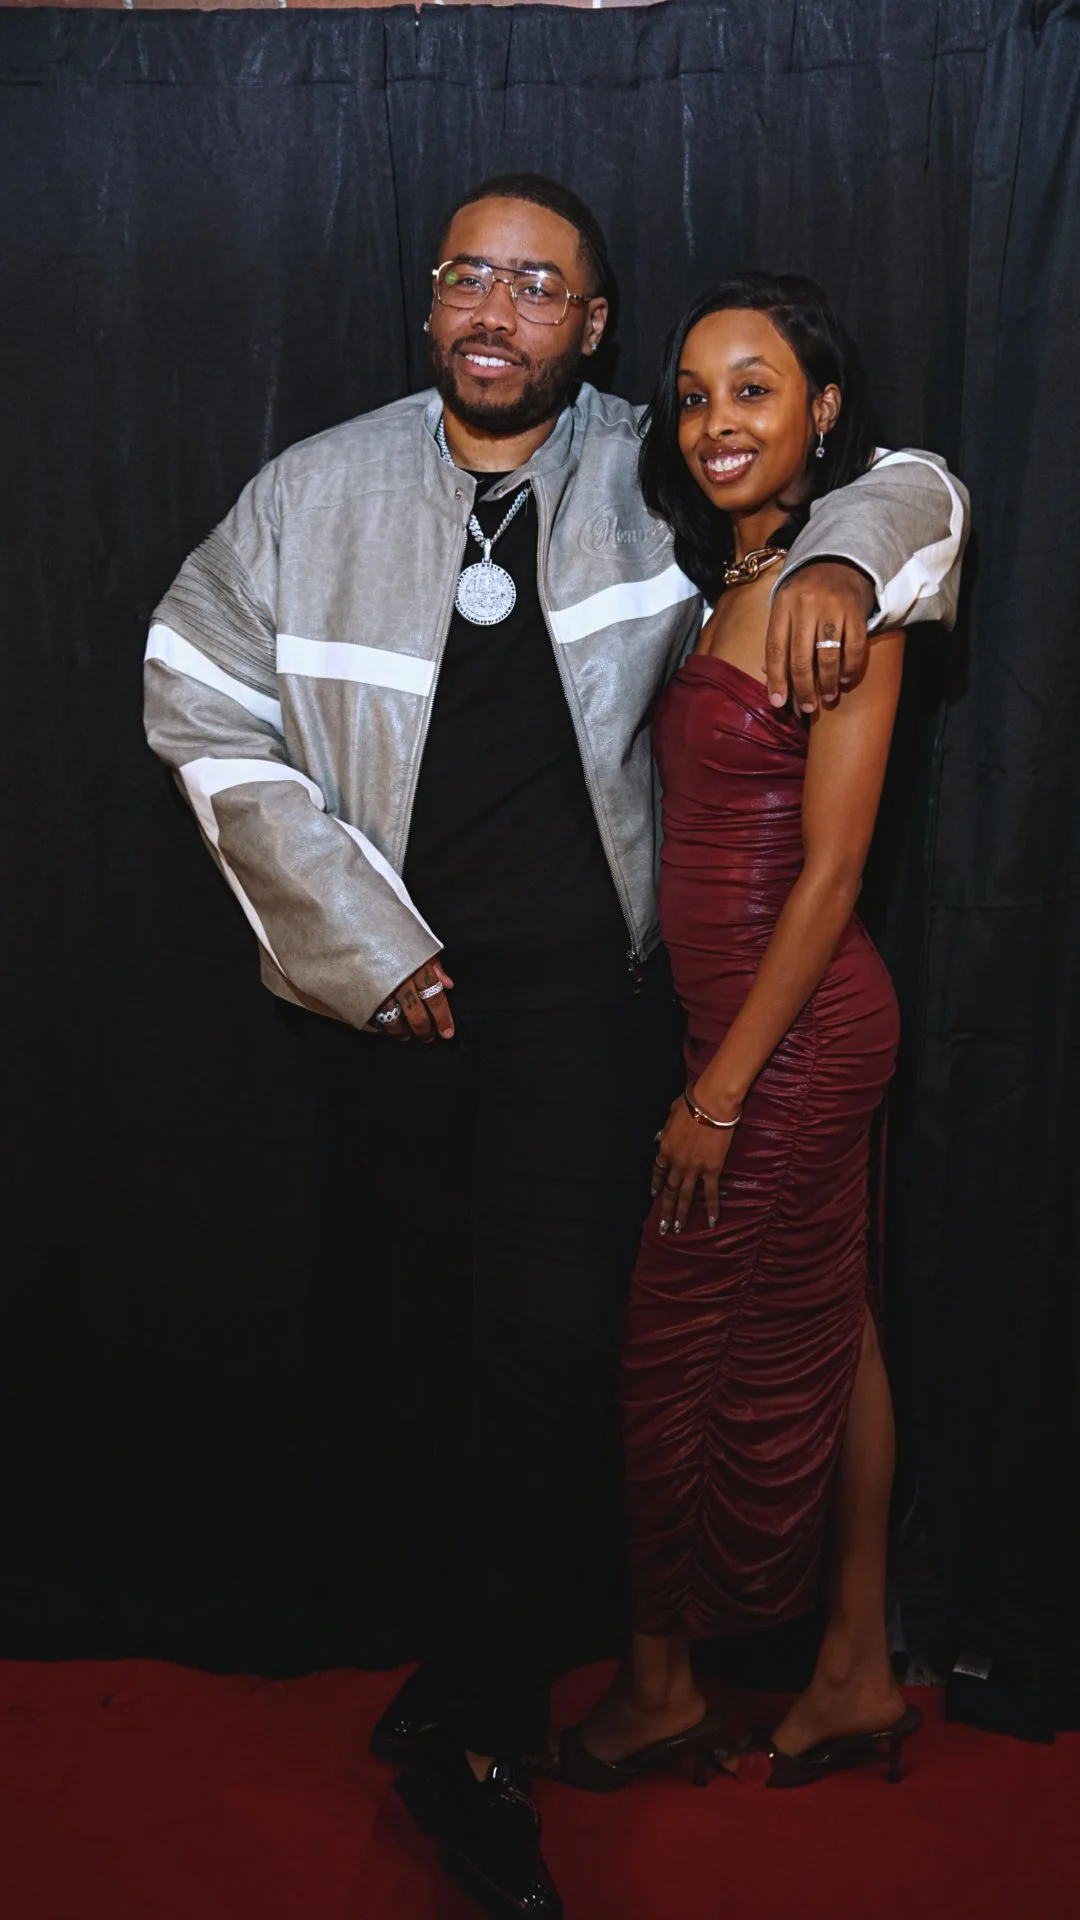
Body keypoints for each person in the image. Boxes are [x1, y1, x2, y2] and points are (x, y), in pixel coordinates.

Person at [143, 177, 968, 1920]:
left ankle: (490, 1749)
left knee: (544, 1354)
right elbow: (188, 682)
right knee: (433, 1360)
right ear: (431, 303)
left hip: (594, 1016)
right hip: (392, 1011)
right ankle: (465, 1667)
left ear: (589, 327)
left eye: (537, 286)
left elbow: (903, 480)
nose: (493, 311)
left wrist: (841, 551)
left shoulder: (648, 461)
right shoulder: (313, 489)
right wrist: (363, 950)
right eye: (467, 278)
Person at [559, 276, 956, 1799]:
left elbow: (834, 873)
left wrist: (718, 1094)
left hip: (787, 1043)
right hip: (740, 1032)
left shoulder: (834, 589)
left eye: (757, 389)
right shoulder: (723, 573)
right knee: (837, 1323)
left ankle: (662, 1688)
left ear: (823, 412)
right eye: (696, 394)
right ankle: (854, 1669)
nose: (719, 422)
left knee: (672, 1353)